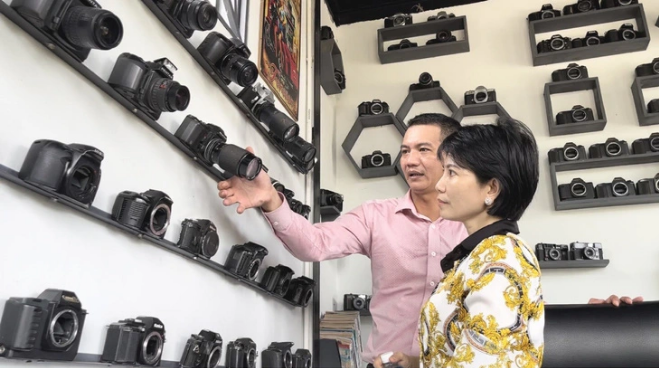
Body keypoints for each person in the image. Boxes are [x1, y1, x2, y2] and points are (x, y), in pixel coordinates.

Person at [217, 113, 469, 363]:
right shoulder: (375, 216)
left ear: (453, 157)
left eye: (423, 149)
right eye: (405, 151)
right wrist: (271, 199)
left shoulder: (476, 224)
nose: (410, 161)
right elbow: (315, 244)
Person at [375, 118, 544, 368]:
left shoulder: (499, 262)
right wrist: (415, 363)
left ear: (491, 189)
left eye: (451, 172)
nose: (440, 185)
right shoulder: (480, 254)